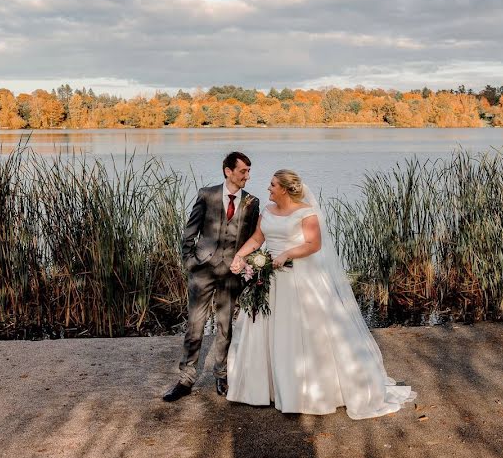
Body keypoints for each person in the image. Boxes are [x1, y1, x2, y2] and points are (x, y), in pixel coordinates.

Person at [226, 169, 416, 419]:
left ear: (284, 188)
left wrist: (287, 254)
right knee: (268, 331)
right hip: (270, 281)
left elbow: (313, 245)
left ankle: (306, 391)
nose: (268, 188)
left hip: (299, 280)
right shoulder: (267, 213)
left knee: (302, 333)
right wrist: (240, 256)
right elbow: (257, 239)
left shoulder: (306, 213)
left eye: (272, 185)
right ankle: (267, 389)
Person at [163, 152, 261, 402]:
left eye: (249, 171)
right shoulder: (207, 194)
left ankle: (221, 375)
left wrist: (246, 266)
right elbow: (190, 232)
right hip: (202, 270)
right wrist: (190, 262)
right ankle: (186, 379)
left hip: (232, 274)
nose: (247, 176)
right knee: (195, 325)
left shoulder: (252, 202)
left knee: (225, 327)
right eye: (243, 171)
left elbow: (253, 240)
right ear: (228, 171)